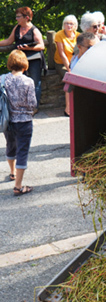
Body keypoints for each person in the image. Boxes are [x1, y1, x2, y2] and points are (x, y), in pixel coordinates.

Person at [3, 50, 37, 196]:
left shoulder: (2, 79)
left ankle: (12, 173)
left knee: (10, 145)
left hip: (7, 121)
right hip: (24, 121)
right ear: (25, 64)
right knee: (22, 151)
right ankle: (18, 186)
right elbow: (32, 104)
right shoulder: (28, 81)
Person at [0, 7, 45, 109]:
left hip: (34, 59)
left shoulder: (34, 30)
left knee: (35, 82)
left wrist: (29, 47)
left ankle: (34, 107)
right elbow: (8, 41)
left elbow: (41, 46)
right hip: (20, 60)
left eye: (18, 16)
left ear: (26, 17)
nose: (16, 18)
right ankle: (22, 105)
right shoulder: (17, 28)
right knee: (19, 82)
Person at [54, 15, 80, 117]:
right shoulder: (59, 35)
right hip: (62, 63)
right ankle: (68, 109)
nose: (68, 26)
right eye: (66, 23)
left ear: (75, 26)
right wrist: (69, 69)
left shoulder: (79, 36)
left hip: (75, 62)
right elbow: (62, 54)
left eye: (71, 24)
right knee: (69, 79)